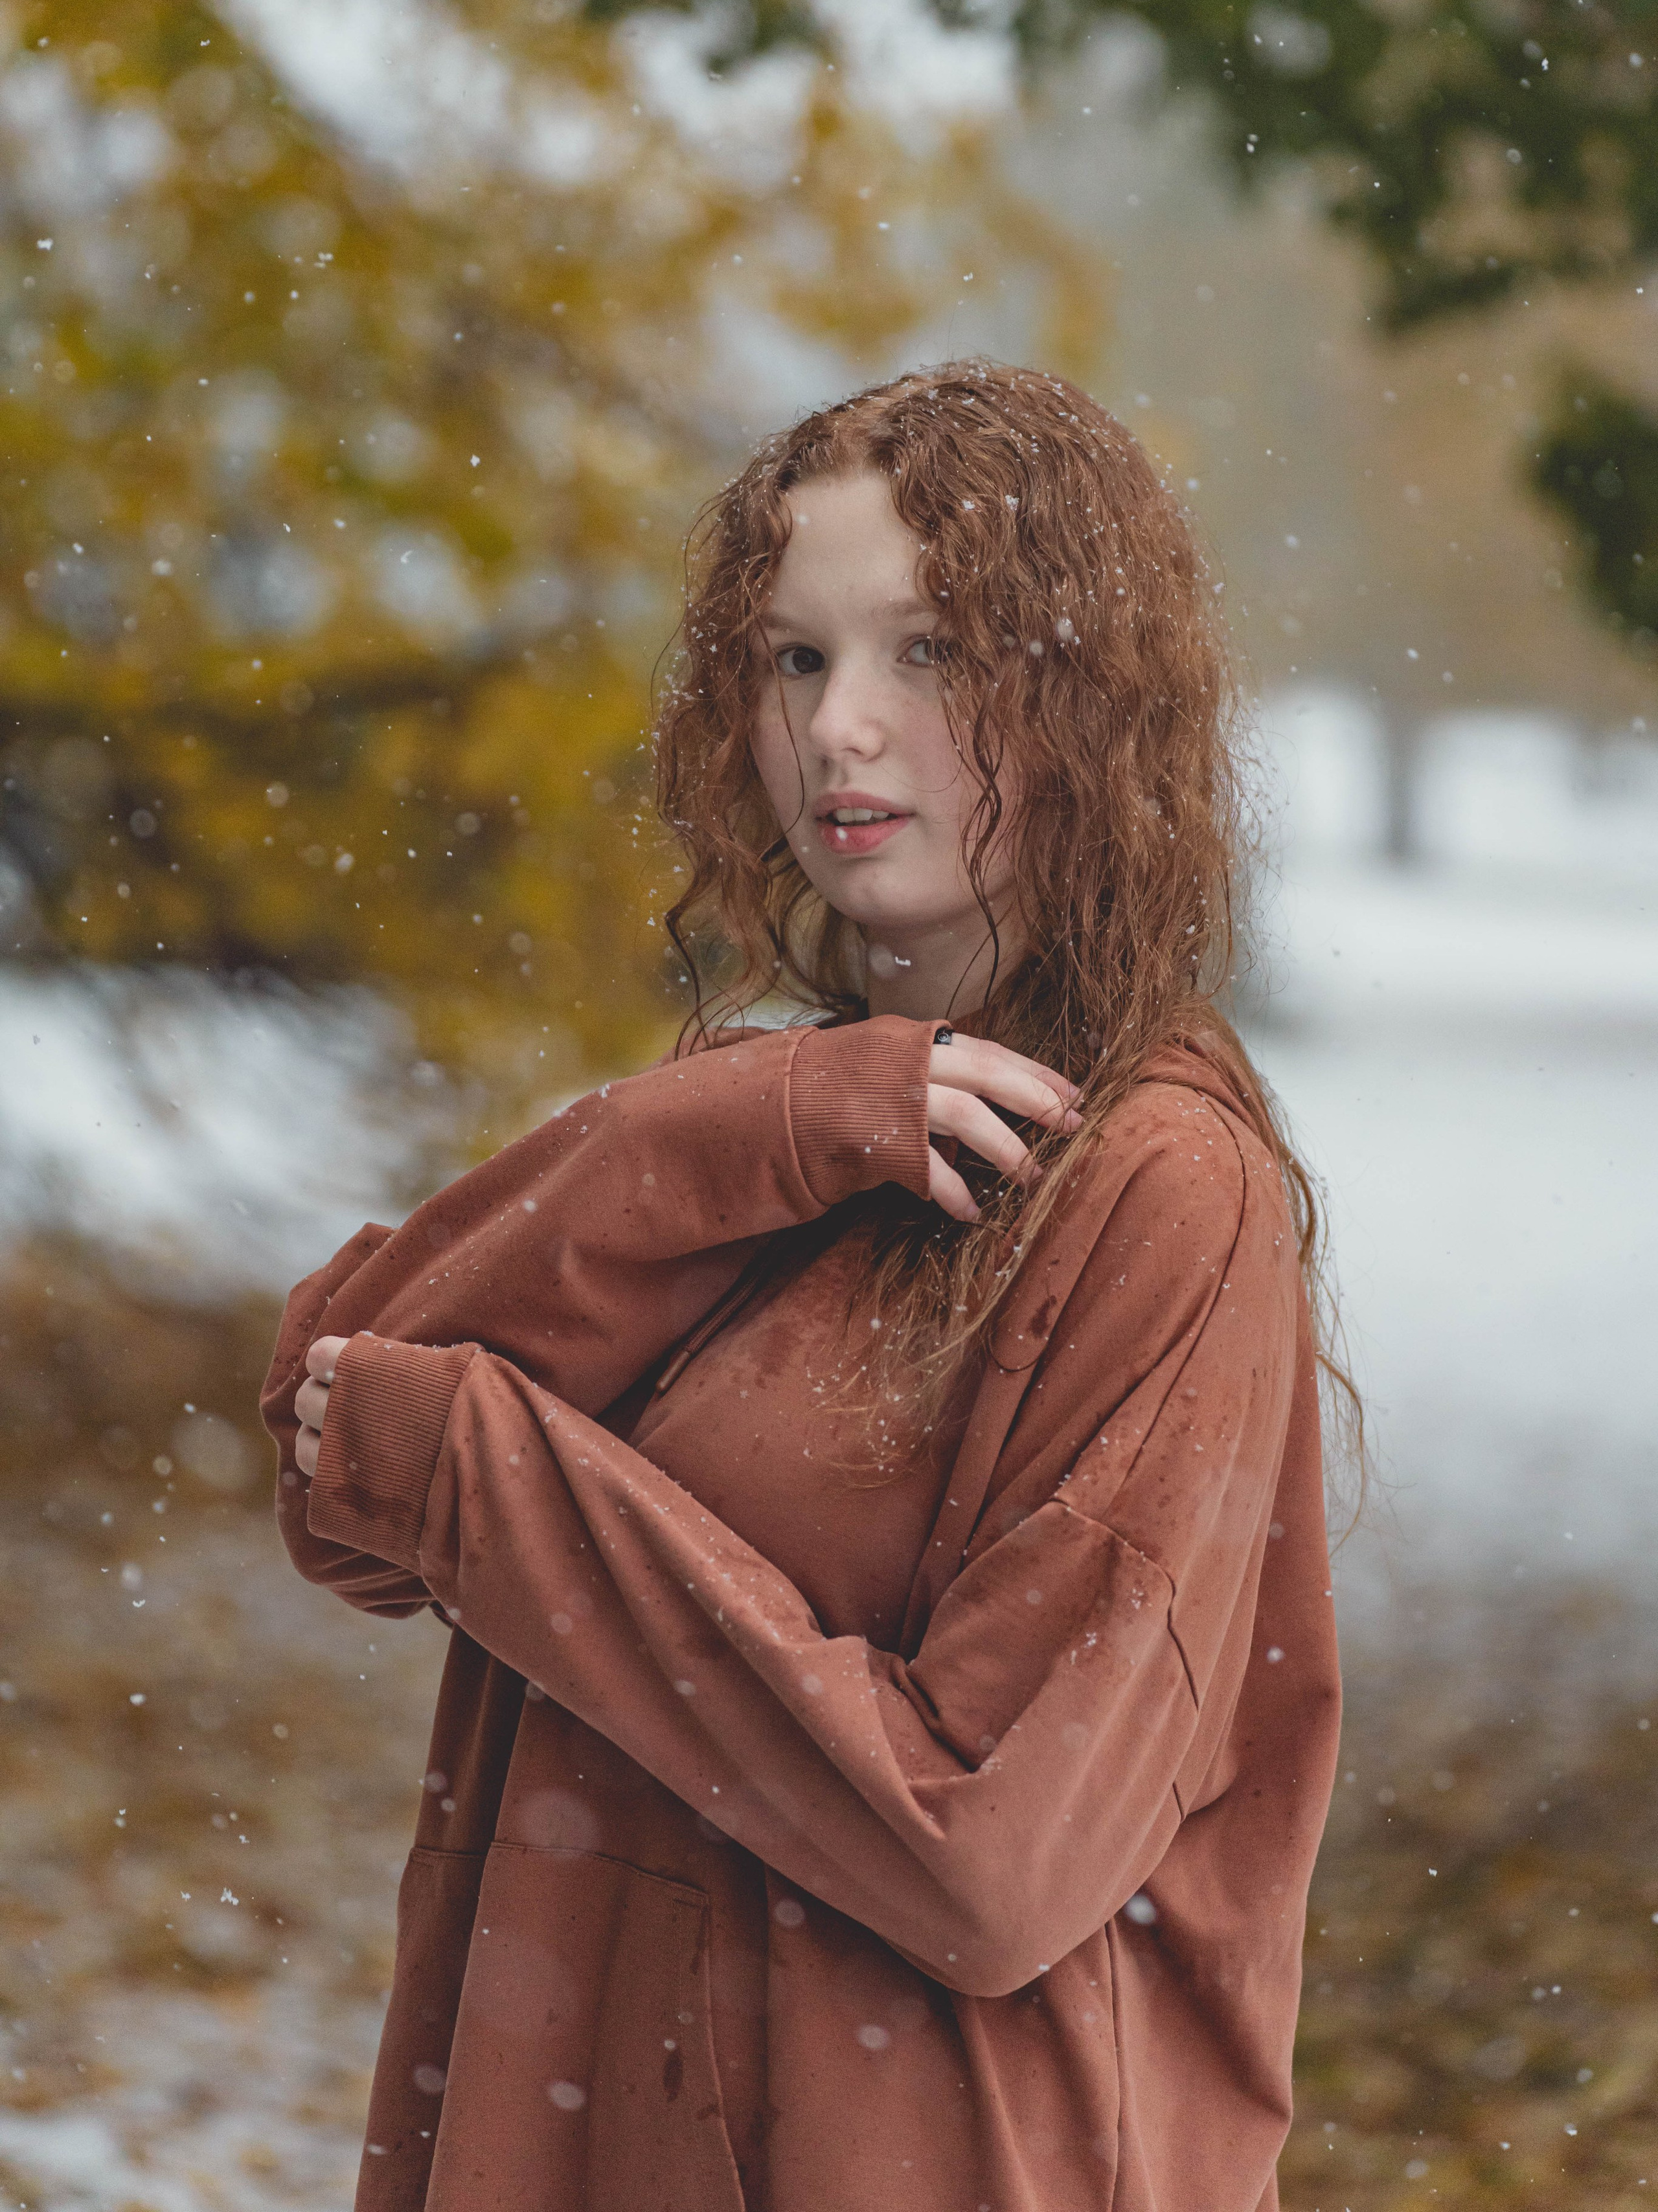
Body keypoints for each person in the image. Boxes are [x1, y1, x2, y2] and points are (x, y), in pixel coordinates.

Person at [262, 361, 1348, 2212]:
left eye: (930, 653)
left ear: (1084, 698)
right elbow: (336, 1453)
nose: (843, 727)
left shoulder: (1166, 1193)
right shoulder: (773, 1135)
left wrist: (504, 1489)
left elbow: (989, 1857)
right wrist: (746, 1117)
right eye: (792, 660)